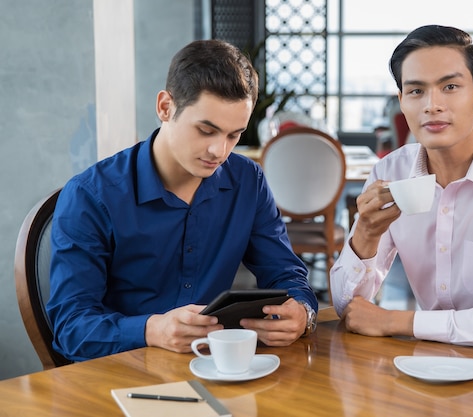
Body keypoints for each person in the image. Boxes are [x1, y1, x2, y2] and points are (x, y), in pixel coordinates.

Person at [47, 39, 318, 362]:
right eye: (206, 130)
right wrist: (151, 330)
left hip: (213, 369)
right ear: (165, 107)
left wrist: (302, 313)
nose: (219, 151)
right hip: (118, 376)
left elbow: (286, 274)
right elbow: (71, 328)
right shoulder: (90, 196)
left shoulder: (248, 181)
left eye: (234, 135)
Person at [330, 25, 473, 350]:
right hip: (428, 367)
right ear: (401, 101)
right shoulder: (390, 173)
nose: (432, 105)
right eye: (416, 91)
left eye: (450, 86)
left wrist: (397, 321)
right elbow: (350, 310)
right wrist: (365, 237)